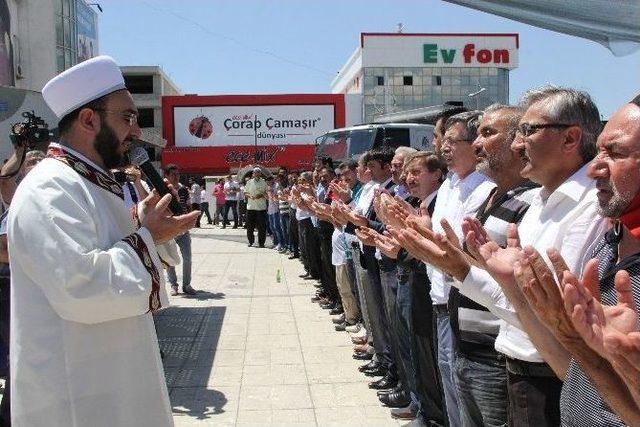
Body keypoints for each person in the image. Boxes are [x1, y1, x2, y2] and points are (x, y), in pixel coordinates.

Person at [8, 56, 199, 427]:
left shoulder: (91, 182)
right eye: (127, 117)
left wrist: (153, 231)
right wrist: (147, 237)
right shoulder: (50, 189)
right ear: (88, 119)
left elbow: (120, 254)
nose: (136, 131)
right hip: (76, 394)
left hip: (111, 378)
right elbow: (81, 287)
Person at [164, 164, 198, 297]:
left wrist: (189, 222)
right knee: (170, 258)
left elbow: (188, 206)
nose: (176, 177)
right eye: (173, 174)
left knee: (187, 257)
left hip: (183, 229)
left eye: (178, 174)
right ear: (166, 175)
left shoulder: (183, 189)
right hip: (168, 228)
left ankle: (187, 285)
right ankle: (173, 285)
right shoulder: (161, 189)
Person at [244, 167, 268, 247]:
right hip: (250, 208)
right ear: (253, 174)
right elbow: (245, 192)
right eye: (255, 172)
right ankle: (251, 242)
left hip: (261, 208)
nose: (256, 174)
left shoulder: (264, 182)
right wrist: (250, 196)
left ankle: (261, 243)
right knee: (250, 227)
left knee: (262, 227)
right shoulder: (249, 182)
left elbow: (267, 193)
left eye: (258, 172)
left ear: (260, 174)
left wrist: (260, 195)